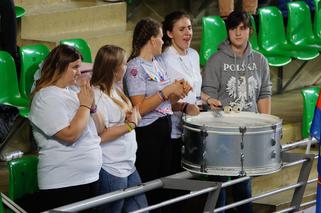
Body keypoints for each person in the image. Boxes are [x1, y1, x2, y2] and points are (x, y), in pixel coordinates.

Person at [202, 11, 272, 212]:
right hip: (221, 134)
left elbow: (264, 93)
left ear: (250, 30)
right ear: (228, 32)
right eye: (233, 29)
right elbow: (208, 95)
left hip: (248, 133)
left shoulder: (260, 60)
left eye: (242, 28)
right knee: (218, 188)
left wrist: (265, 125)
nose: (238, 33)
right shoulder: (216, 60)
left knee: (244, 188)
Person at [25, 44, 103, 212]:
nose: (79, 72)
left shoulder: (72, 91)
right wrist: (84, 105)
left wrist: (93, 107)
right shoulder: (45, 97)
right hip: (64, 182)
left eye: (79, 67)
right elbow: (69, 135)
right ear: (59, 67)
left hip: (88, 178)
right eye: (74, 67)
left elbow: (100, 128)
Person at [123, 18, 190, 210]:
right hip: (148, 132)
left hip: (164, 127)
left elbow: (168, 101)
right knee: (150, 184)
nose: (163, 42)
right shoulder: (135, 67)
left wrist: (179, 90)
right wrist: (166, 91)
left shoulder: (157, 64)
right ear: (152, 39)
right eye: (161, 37)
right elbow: (139, 108)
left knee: (163, 184)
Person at [91, 44, 148, 213]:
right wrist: (130, 125)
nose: (127, 67)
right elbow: (101, 135)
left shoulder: (115, 90)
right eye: (124, 64)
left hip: (128, 164)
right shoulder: (98, 96)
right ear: (113, 70)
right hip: (112, 168)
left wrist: (131, 117)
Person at [161, 10, 215, 175]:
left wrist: (208, 99)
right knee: (176, 177)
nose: (188, 33)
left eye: (190, 28)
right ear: (170, 33)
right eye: (182, 29)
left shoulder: (193, 54)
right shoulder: (165, 59)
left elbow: (195, 90)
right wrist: (185, 106)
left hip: (193, 124)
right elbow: (164, 99)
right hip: (174, 130)